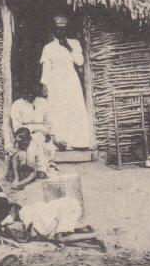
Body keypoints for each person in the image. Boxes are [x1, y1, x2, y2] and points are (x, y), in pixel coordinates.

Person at [40, 14, 95, 150]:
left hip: (70, 81)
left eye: (63, 29)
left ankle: (77, 142)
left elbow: (80, 62)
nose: (61, 32)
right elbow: (46, 68)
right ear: (54, 30)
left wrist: (68, 47)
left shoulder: (74, 43)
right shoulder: (49, 47)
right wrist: (44, 84)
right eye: (58, 29)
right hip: (55, 82)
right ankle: (60, 142)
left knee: (72, 109)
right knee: (58, 110)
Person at [6, 85, 56, 178]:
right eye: (28, 93)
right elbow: (18, 127)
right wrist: (35, 129)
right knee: (36, 138)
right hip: (25, 134)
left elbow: (48, 123)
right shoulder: (17, 105)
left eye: (33, 93)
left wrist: (44, 131)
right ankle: (41, 169)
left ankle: (41, 168)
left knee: (40, 138)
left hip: (42, 132)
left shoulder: (43, 103)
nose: (30, 95)